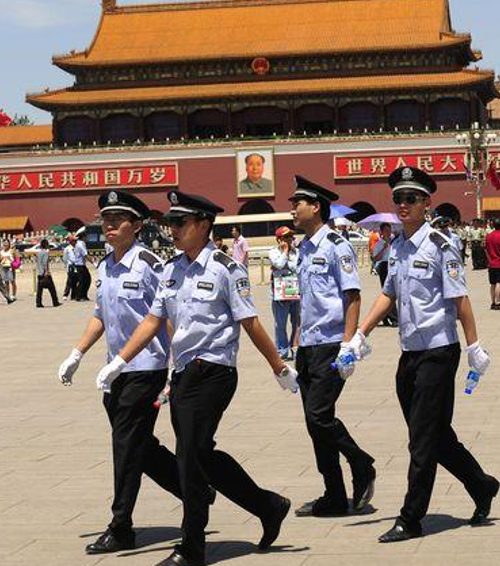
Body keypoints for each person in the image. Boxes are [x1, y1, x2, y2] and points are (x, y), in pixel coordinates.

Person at [102, 190, 294, 566]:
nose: (172, 229)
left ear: (203, 225)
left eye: (180, 223)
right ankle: (267, 505)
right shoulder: (171, 269)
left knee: (188, 456)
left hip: (216, 373)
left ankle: (191, 548)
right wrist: (120, 360)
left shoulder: (225, 268)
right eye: (170, 222)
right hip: (186, 373)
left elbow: (250, 322)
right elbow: (154, 320)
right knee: (200, 454)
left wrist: (279, 366)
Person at [351, 166, 499, 543]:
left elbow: (459, 298)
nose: (403, 205)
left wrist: (473, 345)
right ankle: (481, 485)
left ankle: (411, 517)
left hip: (438, 351)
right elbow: (388, 294)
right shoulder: (397, 246)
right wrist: (358, 335)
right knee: (434, 435)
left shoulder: (440, 245)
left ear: (426, 203)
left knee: (420, 441)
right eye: (398, 198)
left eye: (411, 199)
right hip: (409, 353)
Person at [56, 190, 187, 554]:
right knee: (140, 446)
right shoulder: (106, 266)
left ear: (138, 225)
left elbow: (165, 314)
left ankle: (121, 525)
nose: (109, 224)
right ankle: (194, 489)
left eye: (119, 218)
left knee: (125, 447)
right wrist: (77, 353)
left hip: (146, 368)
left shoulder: (148, 265)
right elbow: (101, 315)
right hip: (115, 372)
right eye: (105, 218)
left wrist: (177, 366)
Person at [289, 175, 375, 518]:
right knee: (315, 425)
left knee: (319, 416)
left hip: (330, 345)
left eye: (298, 203)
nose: (292, 208)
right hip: (308, 345)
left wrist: (347, 344)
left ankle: (361, 462)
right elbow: (309, 299)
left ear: (316, 207)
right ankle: (334, 494)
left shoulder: (336, 246)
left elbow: (352, 296)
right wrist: (297, 338)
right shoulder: (304, 248)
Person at [268, 226, 301, 360]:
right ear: (279, 239)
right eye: (286, 237)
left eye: (291, 237)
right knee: (280, 324)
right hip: (280, 294)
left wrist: (288, 258)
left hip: (295, 291)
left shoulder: (297, 252)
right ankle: (282, 350)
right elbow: (280, 264)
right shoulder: (273, 252)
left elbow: (296, 267)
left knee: (297, 322)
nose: (290, 239)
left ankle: (295, 348)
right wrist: (285, 251)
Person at [371, 222, 397, 327]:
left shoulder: (395, 242)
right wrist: (384, 247)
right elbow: (376, 258)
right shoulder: (379, 243)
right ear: (381, 232)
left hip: (393, 266)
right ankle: (394, 318)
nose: (388, 232)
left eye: (389, 230)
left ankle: (385, 316)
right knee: (388, 292)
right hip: (384, 266)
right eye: (386, 230)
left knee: (394, 291)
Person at [485, 219, 500, 310]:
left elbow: (486, 250)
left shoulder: (488, 236)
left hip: (491, 264)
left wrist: (489, 260)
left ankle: (492, 302)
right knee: (499, 283)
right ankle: (498, 302)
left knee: (492, 284)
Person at [35, 239, 61, 308]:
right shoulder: (46, 252)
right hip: (44, 273)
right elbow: (45, 262)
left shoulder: (39, 253)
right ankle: (55, 302)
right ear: (46, 245)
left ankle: (38, 303)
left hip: (39, 272)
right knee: (52, 289)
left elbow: (38, 262)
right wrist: (47, 271)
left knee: (39, 290)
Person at [72, 231, 91, 301]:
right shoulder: (80, 244)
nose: (87, 238)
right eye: (86, 236)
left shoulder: (81, 243)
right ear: (83, 237)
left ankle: (83, 295)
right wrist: (94, 263)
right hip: (80, 265)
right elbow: (85, 255)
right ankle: (79, 296)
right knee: (83, 281)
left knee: (87, 279)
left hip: (81, 264)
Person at [62, 236, 76, 300]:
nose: (74, 242)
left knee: (75, 281)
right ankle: (65, 294)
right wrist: (66, 265)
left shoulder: (77, 248)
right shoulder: (67, 249)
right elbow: (65, 258)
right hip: (70, 266)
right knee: (69, 281)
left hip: (77, 266)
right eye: (73, 241)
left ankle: (73, 295)